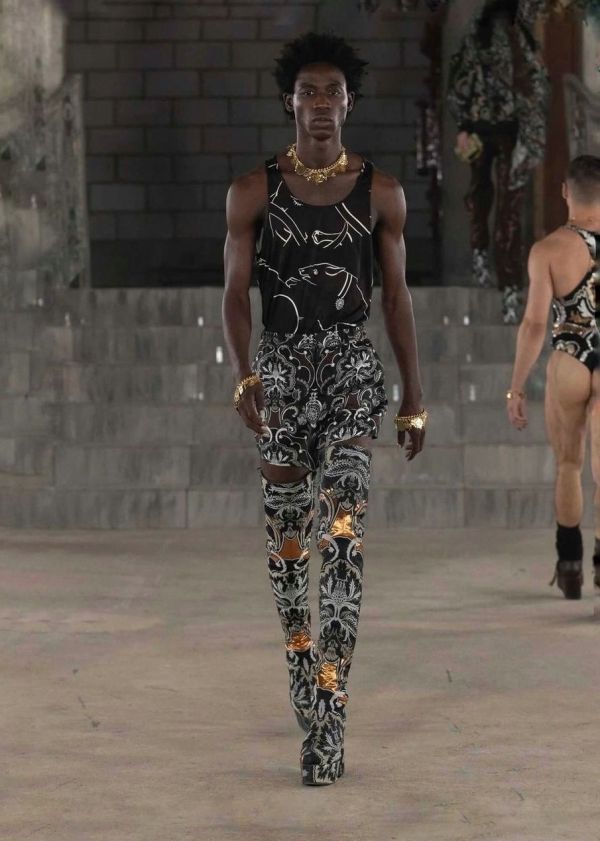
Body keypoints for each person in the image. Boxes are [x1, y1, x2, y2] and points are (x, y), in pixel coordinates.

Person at [222, 32, 426, 786]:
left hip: (350, 375)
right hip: (280, 374)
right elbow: (234, 295)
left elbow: (397, 297)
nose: (318, 103)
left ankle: (331, 720)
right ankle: (301, 657)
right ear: (290, 101)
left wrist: (413, 395)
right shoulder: (253, 191)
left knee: (343, 538)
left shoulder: (381, 192)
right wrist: (245, 374)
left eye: (331, 92)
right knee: (288, 554)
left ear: (349, 103)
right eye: (307, 91)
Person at [507, 155, 600, 609]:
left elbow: (533, 324)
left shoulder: (548, 249)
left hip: (570, 358)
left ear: (565, 192)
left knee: (569, 464)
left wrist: (516, 387)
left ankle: (570, 565)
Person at [447, 0, 549, 323]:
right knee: (500, 204)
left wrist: (464, 123)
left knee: (495, 202)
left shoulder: (497, 35)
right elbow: (535, 88)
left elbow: (460, 83)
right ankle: (505, 284)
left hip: (498, 130)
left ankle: (499, 277)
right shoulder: (508, 36)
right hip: (496, 131)